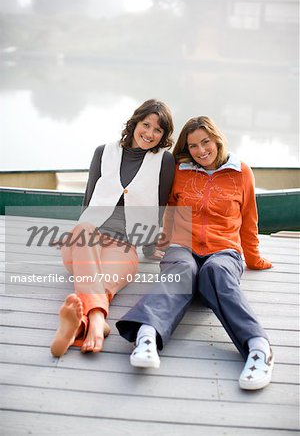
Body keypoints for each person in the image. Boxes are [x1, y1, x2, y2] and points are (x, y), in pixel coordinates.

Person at [116, 116, 274, 391]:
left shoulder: (242, 172)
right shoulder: (180, 170)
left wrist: (254, 259)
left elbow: (249, 221)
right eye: (193, 146)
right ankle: (146, 335)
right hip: (182, 247)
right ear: (186, 149)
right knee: (182, 270)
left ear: (217, 139)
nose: (201, 151)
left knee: (216, 271)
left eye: (206, 142)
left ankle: (258, 348)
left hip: (224, 250)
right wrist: (158, 244)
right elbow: (168, 211)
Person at [50, 99, 175, 357]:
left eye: (158, 130)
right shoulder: (103, 151)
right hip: (85, 240)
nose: (150, 134)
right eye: (146, 125)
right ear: (135, 122)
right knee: (84, 230)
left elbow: (159, 206)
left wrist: (150, 248)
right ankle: (96, 321)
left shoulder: (164, 161)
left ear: (163, 135)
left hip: (124, 246)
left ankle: (85, 322)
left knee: (99, 280)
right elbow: (88, 199)